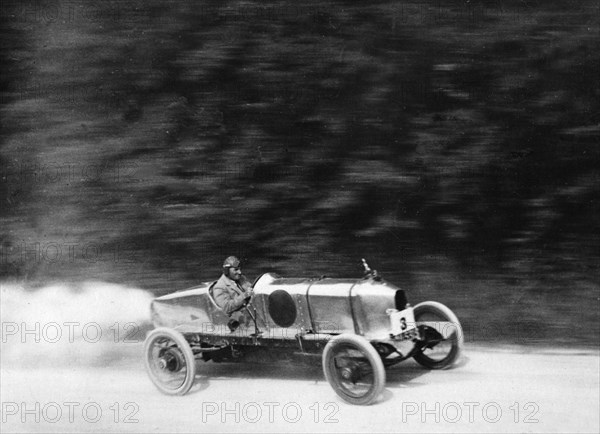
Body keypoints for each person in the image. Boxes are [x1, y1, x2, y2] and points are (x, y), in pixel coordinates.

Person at [213, 256, 254, 331]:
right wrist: (244, 296)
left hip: (250, 312)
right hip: (236, 321)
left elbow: (252, 290)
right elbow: (227, 307)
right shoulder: (219, 287)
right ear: (227, 271)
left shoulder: (241, 278)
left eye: (239, 269)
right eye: (236, 270)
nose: (240, 272)